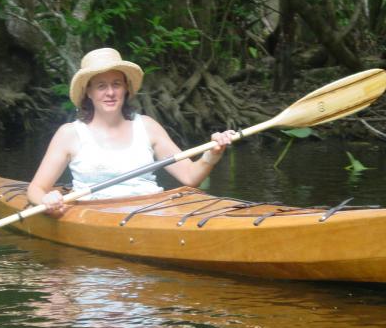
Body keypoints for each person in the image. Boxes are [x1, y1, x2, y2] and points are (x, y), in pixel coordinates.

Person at [27, 47, 235, 215]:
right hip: (96, 215)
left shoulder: (147, 126)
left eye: (116, 84)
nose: (110, 92)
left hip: (153, 210)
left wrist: (213, 154)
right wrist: (46, 199)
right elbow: (35, 189)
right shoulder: (69, 134)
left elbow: (190, 177)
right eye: (101, 86)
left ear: (126, 88)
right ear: (88, 92)